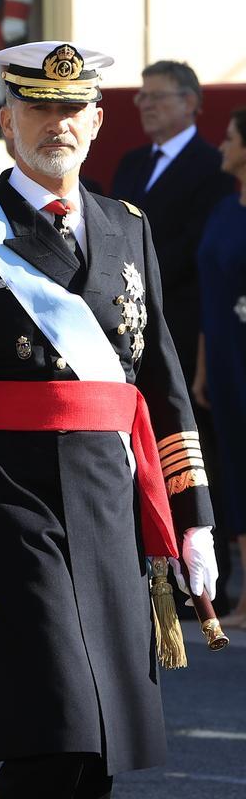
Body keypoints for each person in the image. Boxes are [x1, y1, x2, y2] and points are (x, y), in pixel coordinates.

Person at [0, 42, 218, 797]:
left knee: (102, 747)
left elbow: (160, 382)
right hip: (9, 506)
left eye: (73, 109)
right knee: (53, 728)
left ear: (99, 121)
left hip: (111, 505)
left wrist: (193, 515)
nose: (57, 124)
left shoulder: (126, 225)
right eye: (39, 107)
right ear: (7, 118)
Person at [111, 61, 235, 609]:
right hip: (129, 330)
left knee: (194, 450)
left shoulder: (213, 166)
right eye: (141, 97)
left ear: (191, 102)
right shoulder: (133, 163)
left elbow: (190, 248)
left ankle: (207, 575)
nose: (146, 105)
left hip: (185, 327)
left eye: (158, 96)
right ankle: (153, 571)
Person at [193, 107, 246, 627]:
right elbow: (212, 292)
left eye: (229, 137)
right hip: (225, 359)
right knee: (235, 471)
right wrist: (204, 369)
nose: (221, 146)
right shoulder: (225, 210)